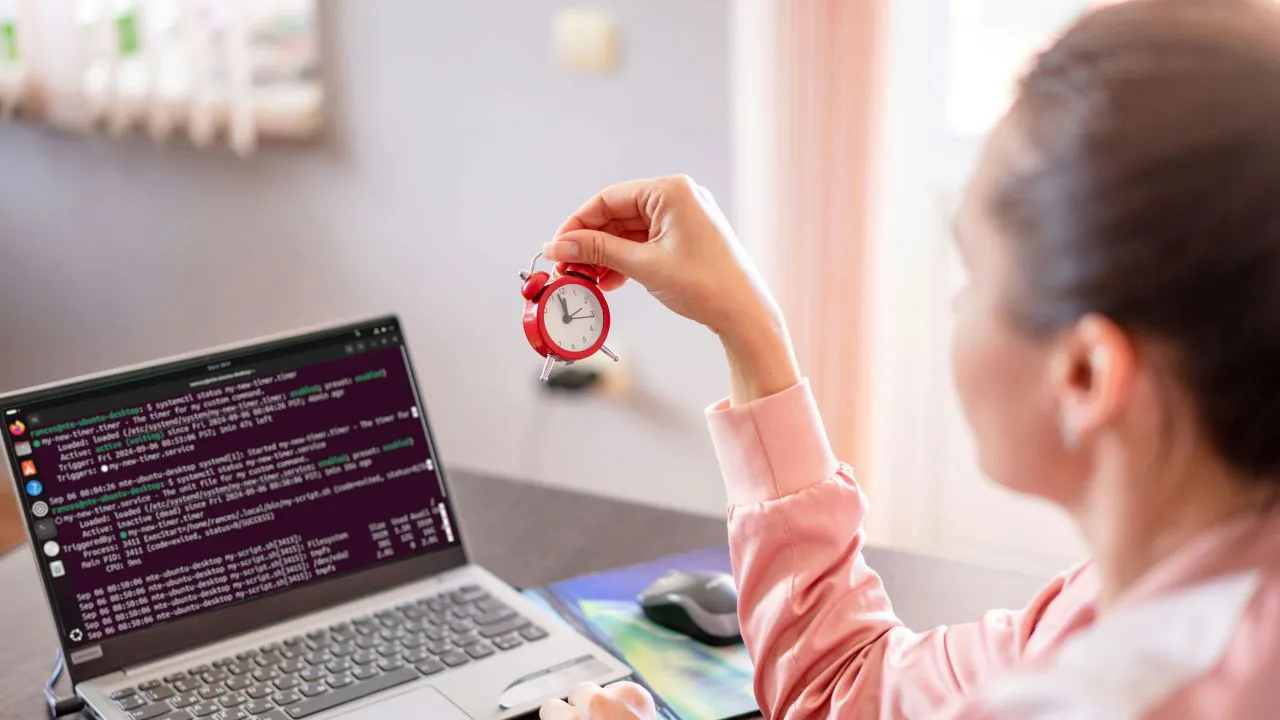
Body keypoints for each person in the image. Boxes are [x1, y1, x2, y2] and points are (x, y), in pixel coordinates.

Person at [536, 1, 1280, 718]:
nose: (958, 305)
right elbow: (844, 689)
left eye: (975, 275)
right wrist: (748, 326)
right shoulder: (1138, 603)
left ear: (1085, 375)